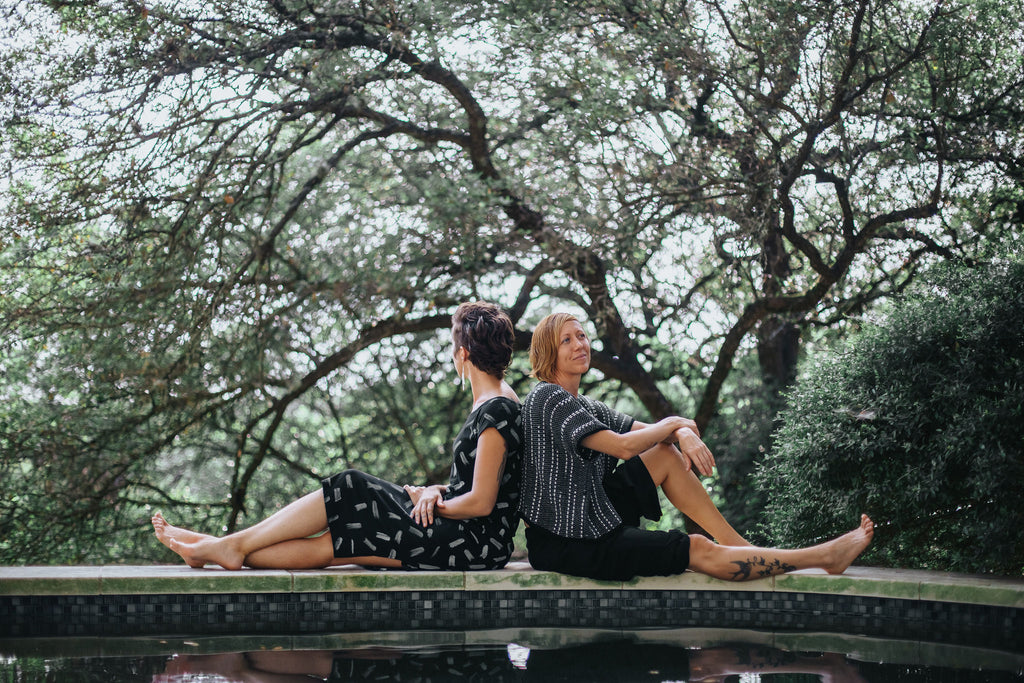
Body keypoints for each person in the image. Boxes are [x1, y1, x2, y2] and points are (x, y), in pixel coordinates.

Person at [152, 301, 522, 571]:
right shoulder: (495, 403)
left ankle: (221, 546)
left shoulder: (497, 408)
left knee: (351, 487)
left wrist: (433, 502)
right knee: (339, 539)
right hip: (461, 529)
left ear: (461, 354)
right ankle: (214, 548)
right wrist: (432, 491)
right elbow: (478, 483)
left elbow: (482, 503)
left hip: (473, 543)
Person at [518, 312, 874, 582]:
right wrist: (674, 425)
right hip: (566, 542)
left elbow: (657, 436)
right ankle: (823, 557)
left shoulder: (588, 405)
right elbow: (625, 447)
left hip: (593, 513)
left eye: (581, 336)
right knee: (697, 548)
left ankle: (741, 548)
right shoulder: (547, 397)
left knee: (663, 454)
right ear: (548, 351)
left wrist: (681, 434)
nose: (580, 344)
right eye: (567, 340)